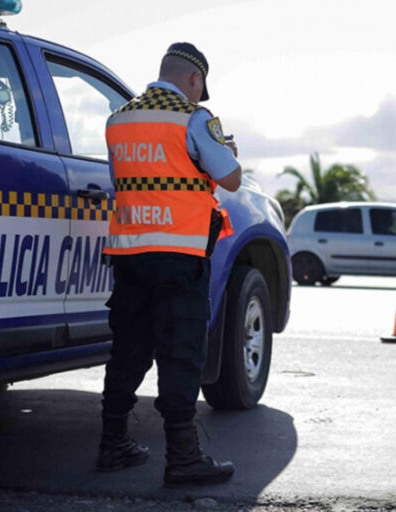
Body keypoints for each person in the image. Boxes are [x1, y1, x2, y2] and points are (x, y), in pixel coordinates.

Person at [97, 42, 242, 487]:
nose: (199, 95)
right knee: (181, 354)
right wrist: (227, 149)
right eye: (200, 87)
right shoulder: (193, 118)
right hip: (179, 256)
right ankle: (183, 458)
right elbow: (231, 179)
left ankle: (112, 445)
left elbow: (124, 179)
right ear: (195, 79)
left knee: (128, 349)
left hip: (130, 252)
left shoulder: (118, 119)